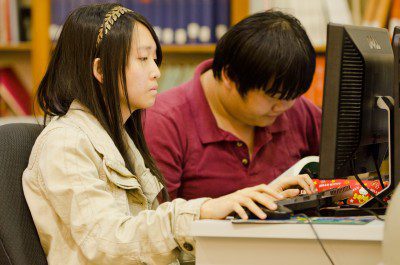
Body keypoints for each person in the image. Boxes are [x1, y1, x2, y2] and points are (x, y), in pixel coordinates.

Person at [22, 4, 316, 265]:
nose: (156, 72)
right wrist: (203, 210)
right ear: (100, 69)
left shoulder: (120, 139)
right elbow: (107, 243)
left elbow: (154, 245)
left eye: (155, 59)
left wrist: (246, 208)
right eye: (143, 59)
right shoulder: (66, 143)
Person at [143, 10, 322, 200]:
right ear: (230, 76)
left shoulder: (297, 110)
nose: (283, 107)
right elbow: (156, 221)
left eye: (293, 96)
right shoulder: (164, 122)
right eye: (273, 96)